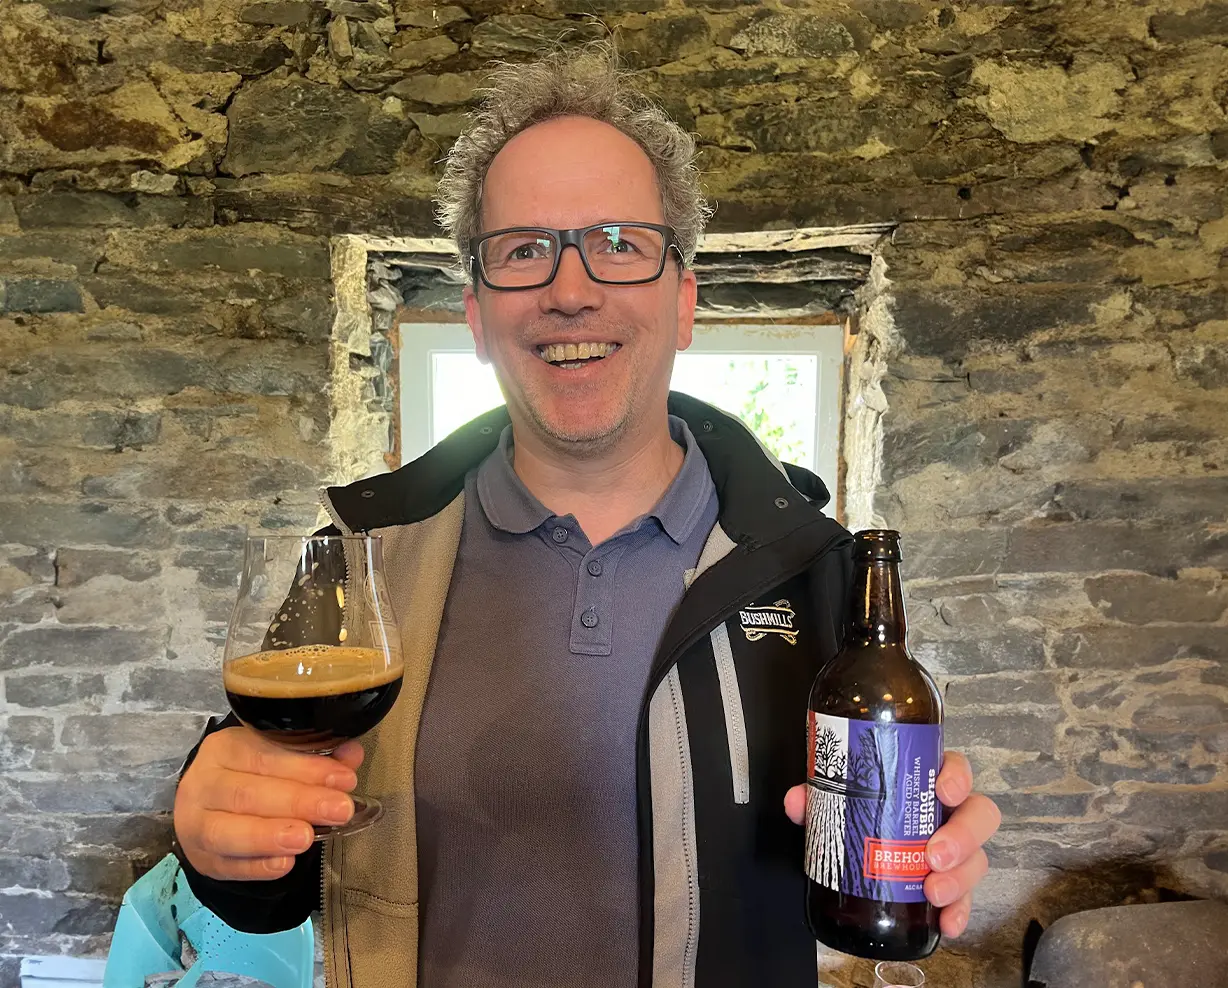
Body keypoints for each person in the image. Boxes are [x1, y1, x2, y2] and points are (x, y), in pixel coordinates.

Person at [172, 43, 1000, 988]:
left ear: (683, 301)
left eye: (617, 243)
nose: (571, 291)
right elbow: (278, 862)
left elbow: (867, 844)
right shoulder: (361, 559)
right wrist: (222, 835)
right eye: (524, 249)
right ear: (477, 317)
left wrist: (927, 848)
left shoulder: (816, 570)